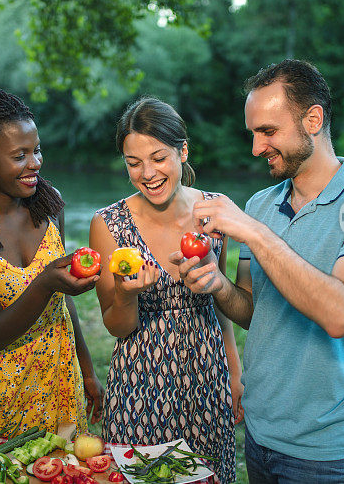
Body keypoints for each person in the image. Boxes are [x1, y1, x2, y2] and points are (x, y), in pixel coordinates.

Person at [171, 60, 344, 483]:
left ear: (313, 120)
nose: (256, 148)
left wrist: (254, 233)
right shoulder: (261, 204)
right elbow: (253, 310)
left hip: (326, 444)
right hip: (260, 431)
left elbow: (342, 311)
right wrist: (216, 283)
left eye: (269, 131)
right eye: (253, 133)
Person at [0, 88, 104, 437]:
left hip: (56, 380)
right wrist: (44, 283)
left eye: (37, 150)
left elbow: (61, 299)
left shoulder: (48, 205)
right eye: (19, 155)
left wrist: (86, 369)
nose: (35, 163)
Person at [89, 97, 241, 483]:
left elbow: (221, 302)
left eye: (159, 158)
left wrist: (234, 368)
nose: (147, 173)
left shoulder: (216, 210)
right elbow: (117, 326)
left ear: (182, 150)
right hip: (140, 383)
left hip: (206, 377)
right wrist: (127, 294)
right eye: (133, 162)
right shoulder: (108, 224)